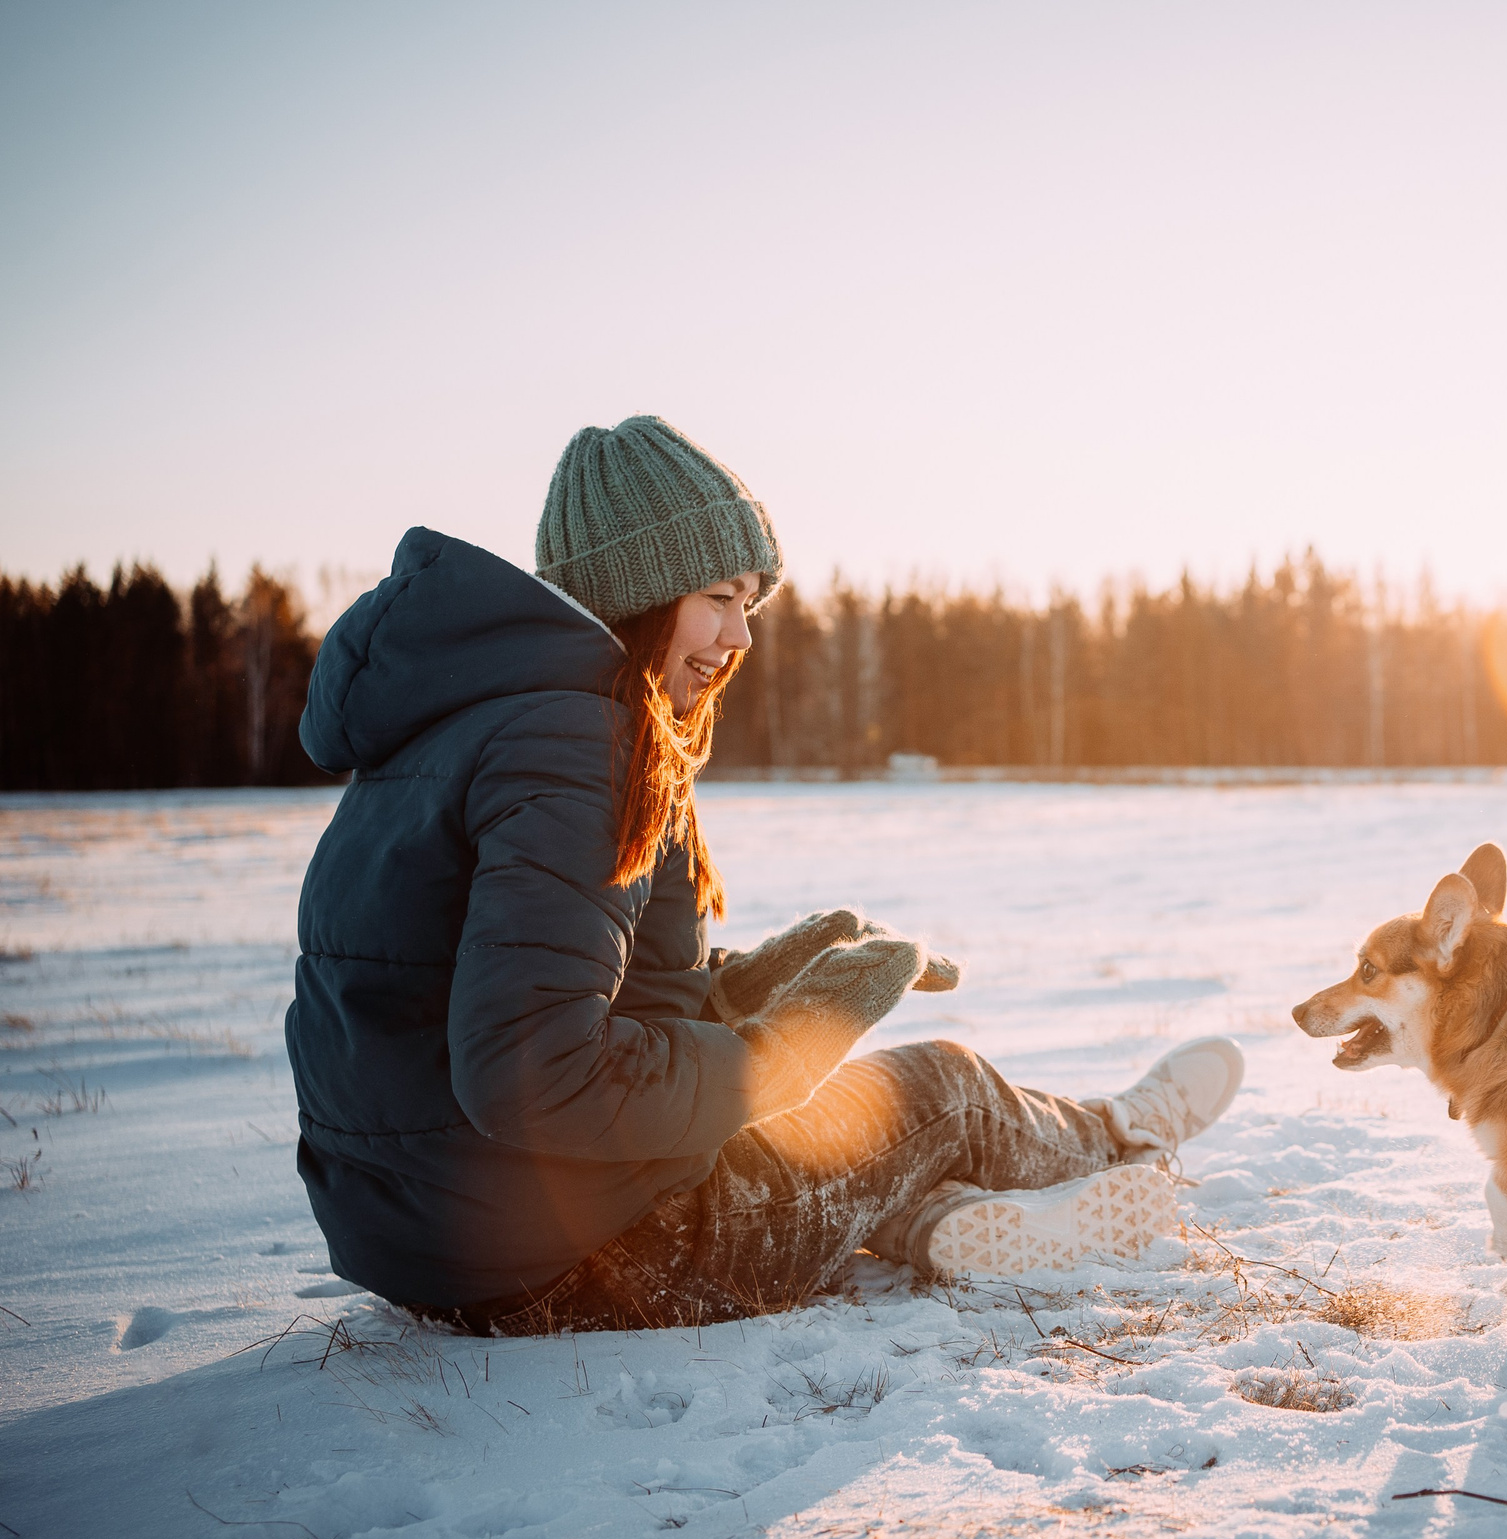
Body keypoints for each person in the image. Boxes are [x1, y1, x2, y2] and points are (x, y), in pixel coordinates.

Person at [285, 414, 1243, 1334]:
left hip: (429, 1243)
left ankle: (932, 1221)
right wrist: (788, 1045)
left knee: (843, 1138)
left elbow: (542, 986)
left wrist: (749, 980)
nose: (739, 638)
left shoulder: (467, 714)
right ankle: (1124, 1134)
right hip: (578, 1254)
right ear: (638, 590)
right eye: (719, 598)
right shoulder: (581, 739)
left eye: (748, 604)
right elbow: (536, 1073)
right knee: (939, 1089)